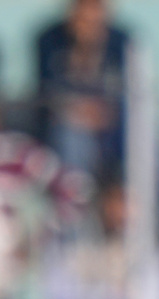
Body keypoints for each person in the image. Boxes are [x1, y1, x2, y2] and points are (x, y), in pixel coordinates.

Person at [34, 0, 130, 184]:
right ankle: (75, 202)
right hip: (67, 122)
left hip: (113, 124)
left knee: (146, 139)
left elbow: (125, 93)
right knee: (71, 137)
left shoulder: (123, 42)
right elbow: (47, 91)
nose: (87, 16)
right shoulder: (48, 40)